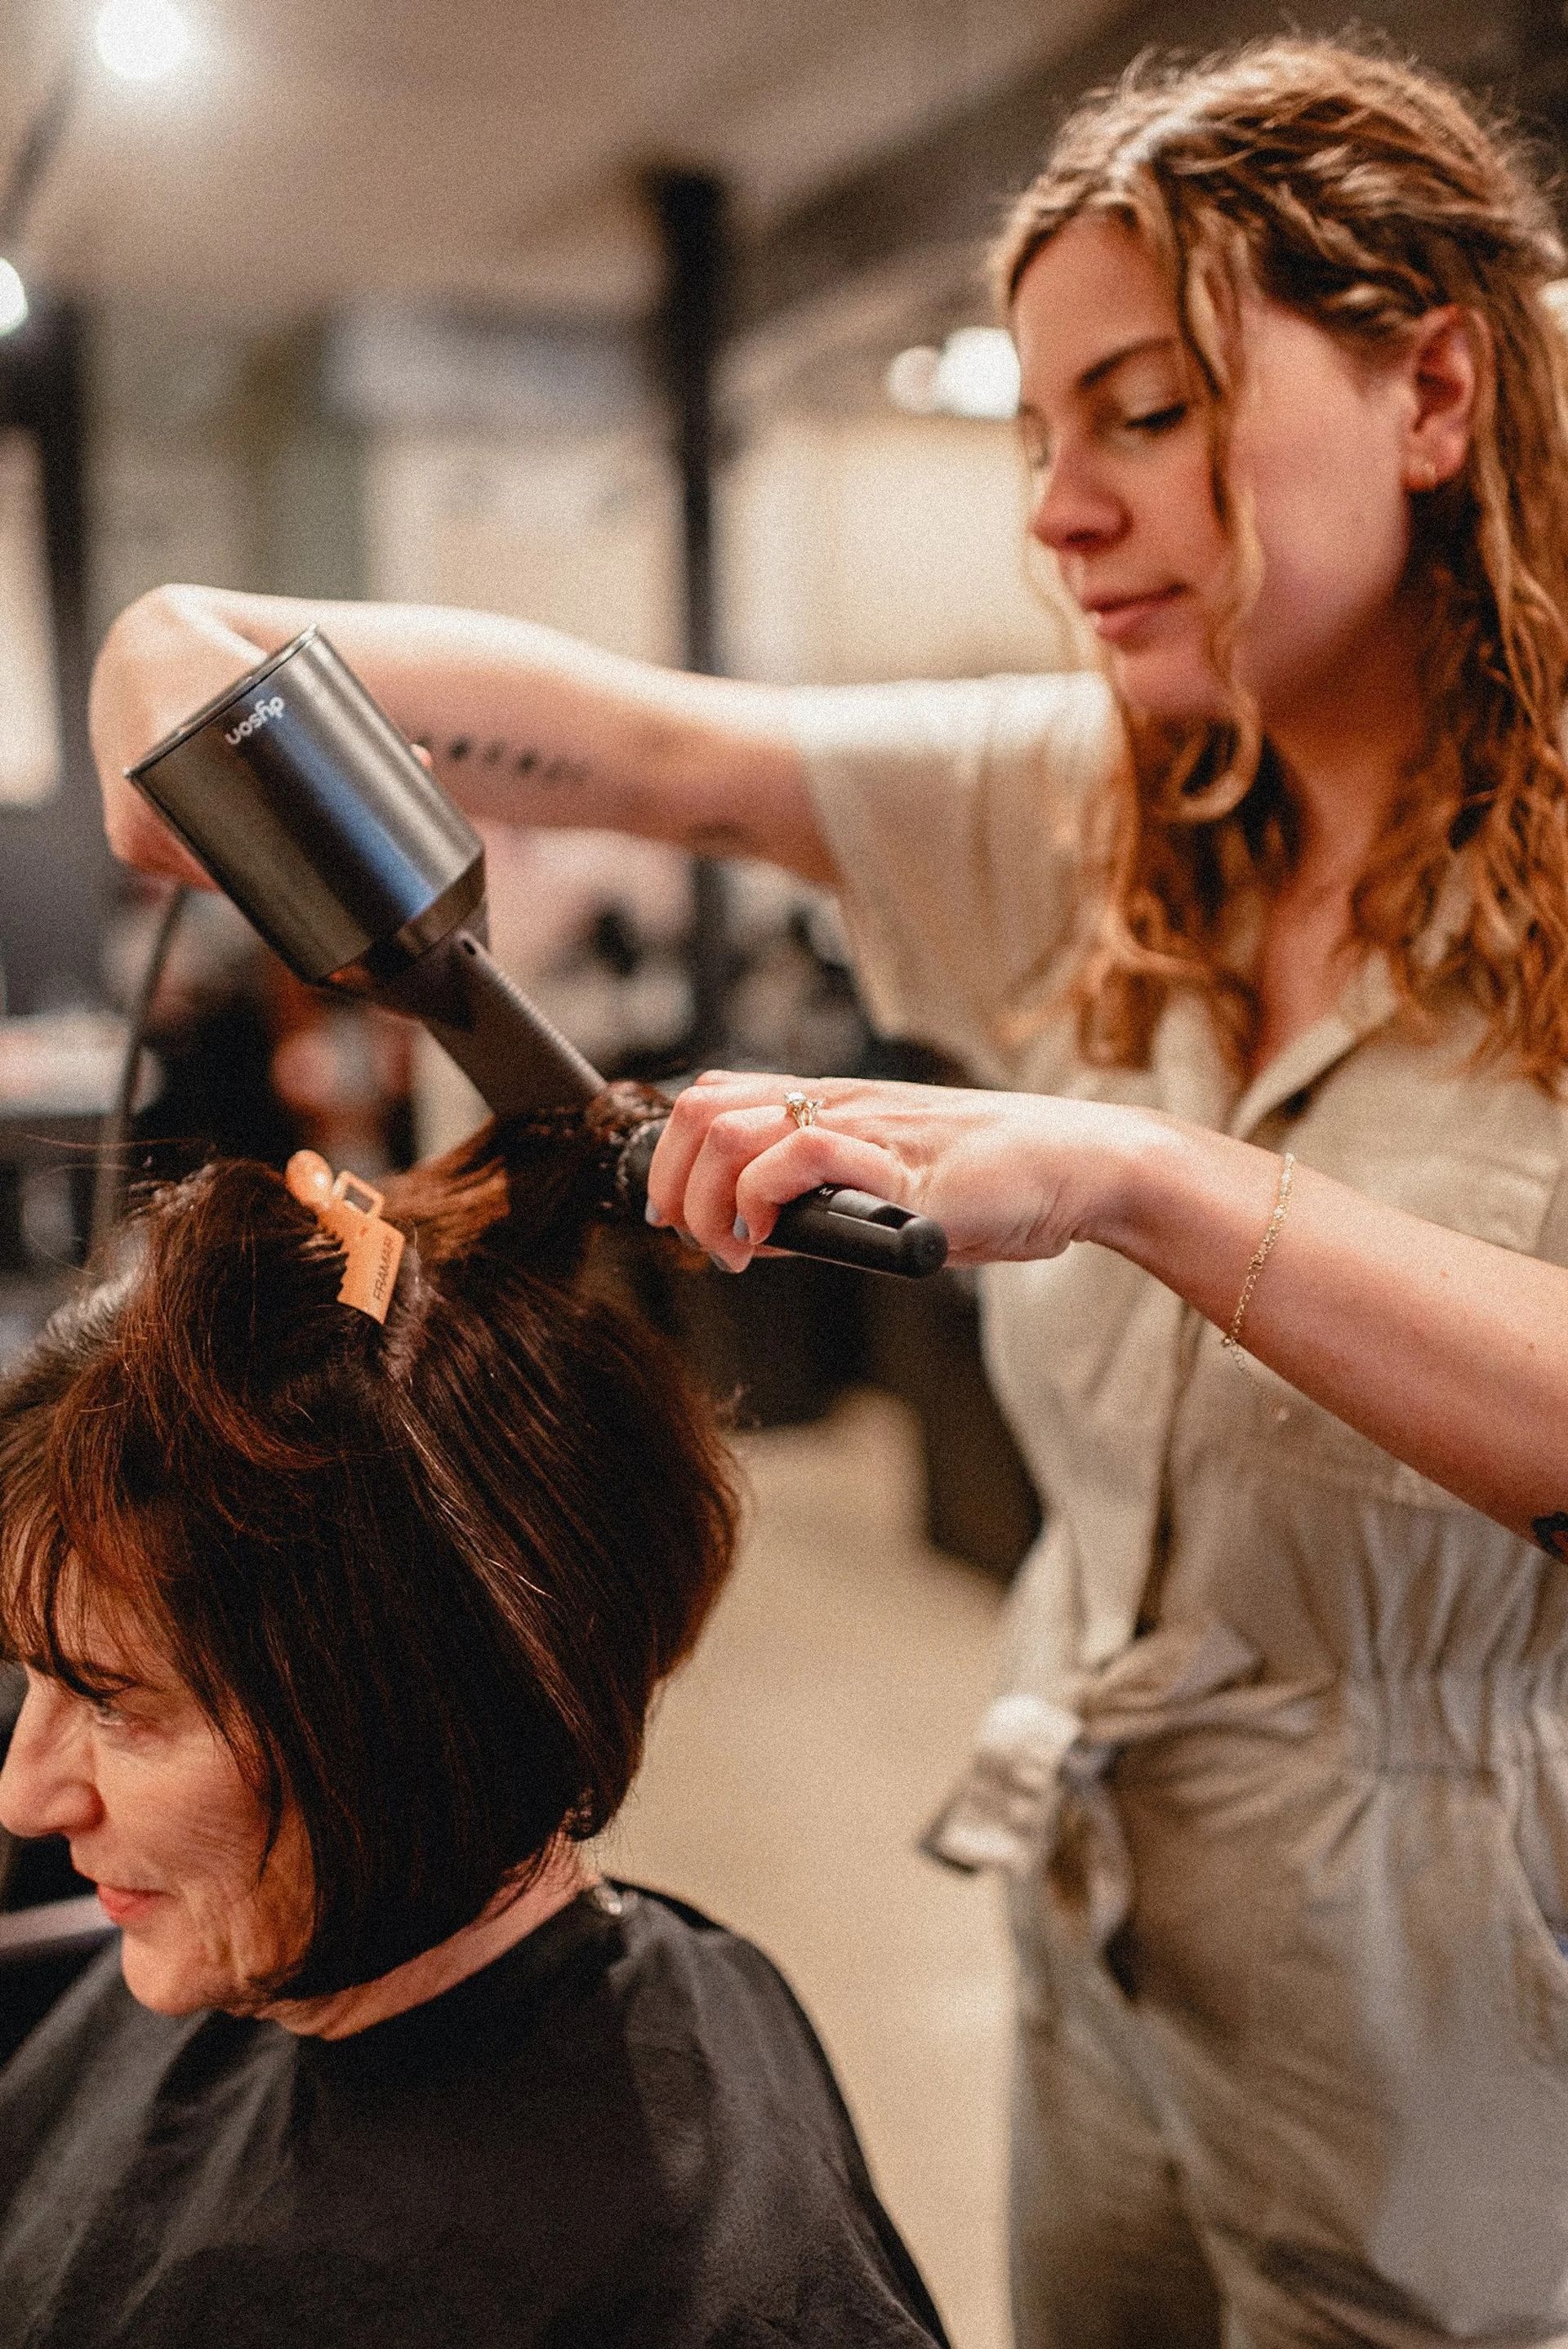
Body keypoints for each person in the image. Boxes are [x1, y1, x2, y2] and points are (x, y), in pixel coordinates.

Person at [86, 34, 1568, 2345]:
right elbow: (666, 742)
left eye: (1147, 413)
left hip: (1474, 2026)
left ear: (1437, 389)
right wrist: (187, 650)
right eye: (1039, 436)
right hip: (1105, 1940)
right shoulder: (1100, 803)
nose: (1063, 511)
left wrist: (1144, 1178)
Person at [0, 1093, 950, 2349]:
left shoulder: (703, 2283)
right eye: (32, 1683)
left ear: (398, 1719)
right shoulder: (225, 1949)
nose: (23, 1795)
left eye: (119, 1709)